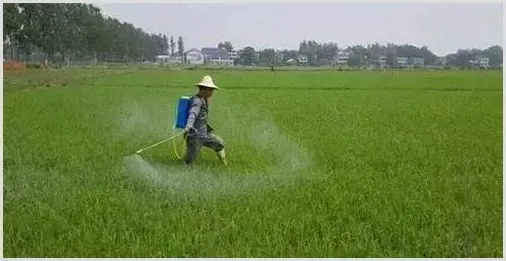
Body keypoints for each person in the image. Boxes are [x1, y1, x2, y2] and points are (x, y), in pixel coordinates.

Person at [183, 75, 227, 166]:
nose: (212, 92)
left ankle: (225, 166)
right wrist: (188, 126)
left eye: (212, 90)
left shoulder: (204, 99)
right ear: (204, 89)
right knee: (189, 162)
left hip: (205, 134)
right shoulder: (196, 101)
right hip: (195, 137)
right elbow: (193, 114)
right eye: (210, 90)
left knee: (219, 143)